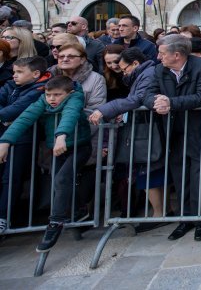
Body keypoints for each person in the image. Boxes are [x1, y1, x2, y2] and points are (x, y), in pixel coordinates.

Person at [0, 76, 90, 252]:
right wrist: (5, 141)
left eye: (57, 95)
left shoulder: (75, 97)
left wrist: (61, 136)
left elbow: (70, 114)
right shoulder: (43, 100)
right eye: (49, 95)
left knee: (62, 180)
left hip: (79, 147)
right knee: (59, 182)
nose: (52, 99)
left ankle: (55, 222)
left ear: (68, 93)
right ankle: (80, 210)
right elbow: (24, 118)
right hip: (57, 148)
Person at [143, 35, 201, 242]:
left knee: (200, 174)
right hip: (173, 130)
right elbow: (148, 93)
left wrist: (171, 103)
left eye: (162, 53)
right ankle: (185, 218)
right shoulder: (160, 70)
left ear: (176, 55)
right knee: (180, 174)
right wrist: (155, 102)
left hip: (199, 129)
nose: (158, 57)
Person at [89, 47, 166, 233]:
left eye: (125, 68)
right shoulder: (143, 73)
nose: (122, 72)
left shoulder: (147, 75)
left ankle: (160, 213)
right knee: (147, 170)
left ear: (135, 64)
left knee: (149, 169)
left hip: (148, 128)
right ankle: (160, 211)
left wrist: (106, 109)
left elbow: (137, 99)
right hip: (144, 127)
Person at [0, 56, 50, 234]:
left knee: (11, 178)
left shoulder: (40, 88)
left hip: (24, 138)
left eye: (20, 72)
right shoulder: (9, 85)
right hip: (5, 136)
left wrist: (5, 117)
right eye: (14, 72)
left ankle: (3, 217)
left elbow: (16, 109)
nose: (14, 76)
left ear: (36, 74)